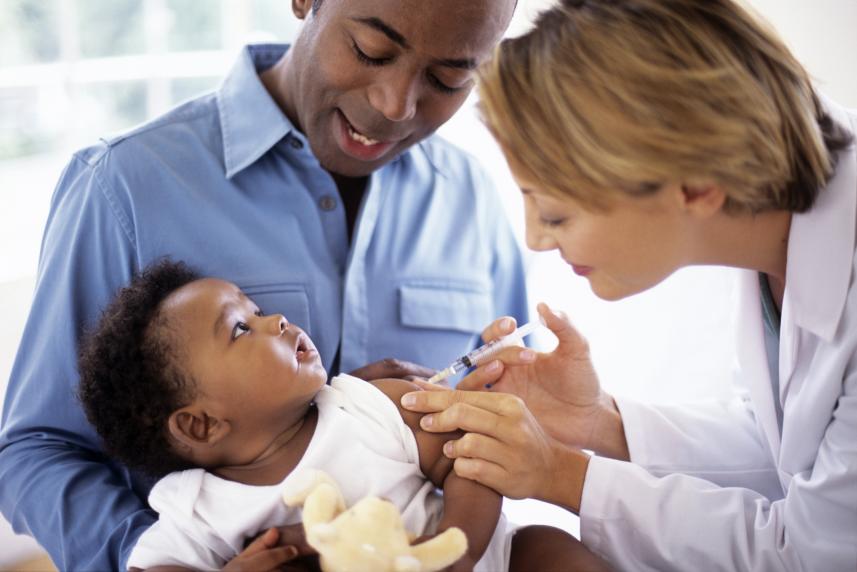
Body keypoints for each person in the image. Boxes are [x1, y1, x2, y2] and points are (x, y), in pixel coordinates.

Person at [0, 1, 530, 569]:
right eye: (370, 52)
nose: (395, 105)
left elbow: (511, 415)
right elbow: (35, 452)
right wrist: (171, 557)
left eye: (448, 78)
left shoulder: (470, 197)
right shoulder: (121, 187)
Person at [400, 0, 857, 570]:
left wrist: (560, 474)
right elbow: (791, 452)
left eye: (557, 214)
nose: (536, 240)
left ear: (696, 186)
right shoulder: (780, 241)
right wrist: (597, 422)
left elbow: (819, 553)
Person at [76, 259, 605, 571]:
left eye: (257, 312)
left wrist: (455, 551)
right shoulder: (197, 509)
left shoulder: (365, 403)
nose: (276, 321)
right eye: (241, 329)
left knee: (546, 548)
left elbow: (472, 458)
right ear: (201, 425)